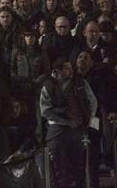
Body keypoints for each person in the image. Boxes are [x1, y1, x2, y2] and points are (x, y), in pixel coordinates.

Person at [40, 58, 97, 188]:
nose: (71, 70)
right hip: (57, 131)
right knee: (60, 168)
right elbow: (45, 111)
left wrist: (90, 120)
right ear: (58, 71)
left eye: (71, 67)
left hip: (77, 129)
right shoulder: (48, 86)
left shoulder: (79, 82)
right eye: (67, 68)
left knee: (79, 166)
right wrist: (65, 121)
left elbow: (92, 101)